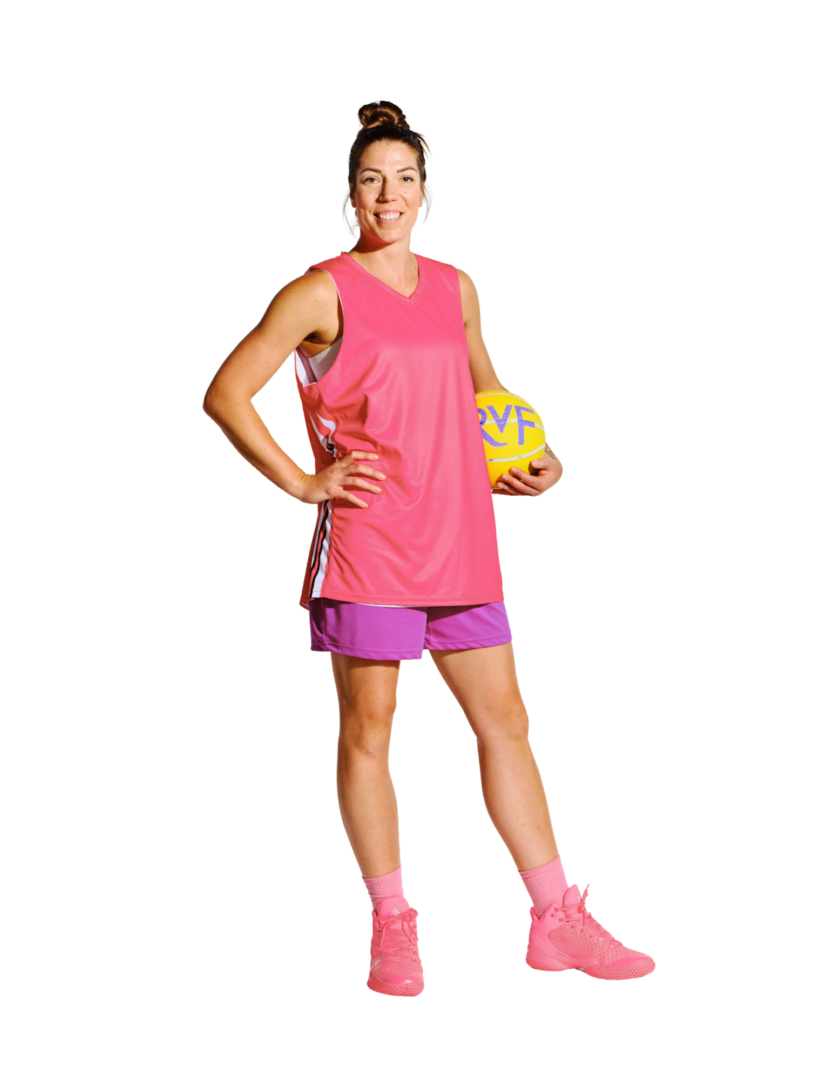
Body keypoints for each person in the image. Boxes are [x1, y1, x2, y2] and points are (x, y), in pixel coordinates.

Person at [203, 100, 655, 996]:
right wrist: (305, 482)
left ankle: (555, 920)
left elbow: (488, 395)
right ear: (350, 192)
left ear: (424, 190)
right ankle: (392, 926)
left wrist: (531, 458)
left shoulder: (456, 288)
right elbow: (226, 392)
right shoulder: (319, 292)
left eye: (405, 179)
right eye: (372, 180)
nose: (389, 195)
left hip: (462, 540)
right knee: (370, 731)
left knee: (507, 724)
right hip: (372, 548)